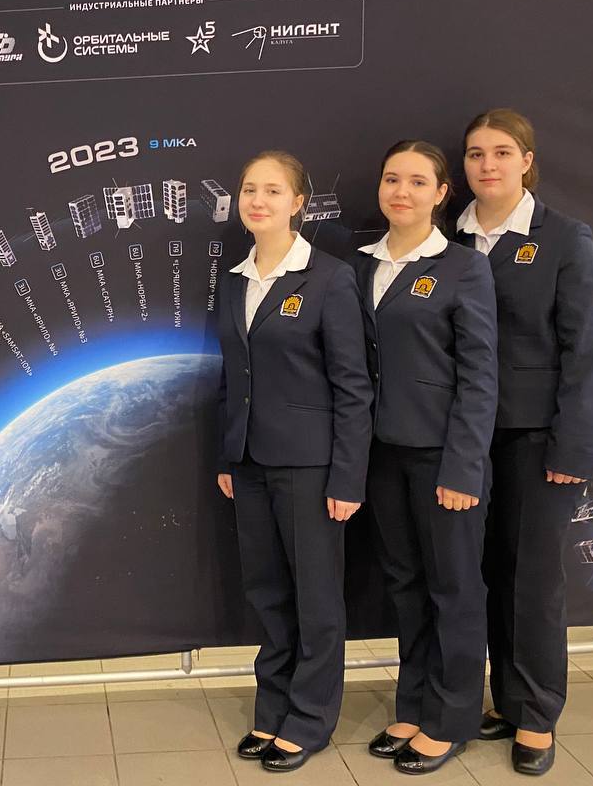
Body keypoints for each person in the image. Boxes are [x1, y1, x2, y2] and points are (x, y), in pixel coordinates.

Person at [459, 109, 593, 776]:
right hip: (460, 438)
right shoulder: (448, 237)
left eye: (501, 152)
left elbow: (587, 351)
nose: (487, 164)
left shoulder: (564, 239)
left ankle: (537, 715)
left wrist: (575, 448)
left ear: (526, 160)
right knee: (481, 573)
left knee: (533, 578)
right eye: (475, 153)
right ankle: (503, 698)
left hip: (535, 439)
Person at [216, 151, 373, 772]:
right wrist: (229, 455)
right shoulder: (234, 278)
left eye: (272, 191)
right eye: (248, 190)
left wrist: (348, 476)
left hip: (311, 467)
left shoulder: (330, 278)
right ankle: (273, 708)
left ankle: (309, 718)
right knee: (267, 592)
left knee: (316, 597)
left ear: (298, 202)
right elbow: (232, 377)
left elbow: (354, 386)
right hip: (250, 464)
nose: (258, 201)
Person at [355, 140, 498, 775]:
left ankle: (453, 717)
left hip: (444, 458)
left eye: (417, 181)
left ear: (442, 194)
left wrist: (465, 466)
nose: (401, 192)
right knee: (405, 586)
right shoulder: (360, 266)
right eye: (392, 179)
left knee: (454, 587)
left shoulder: (465, 268)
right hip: (382, 455)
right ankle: (413, 705)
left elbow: (479, 376)